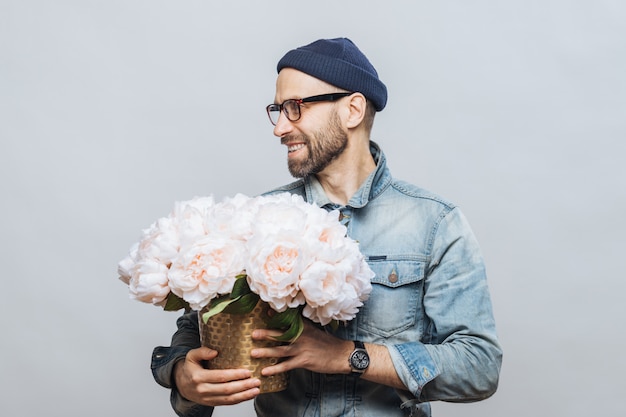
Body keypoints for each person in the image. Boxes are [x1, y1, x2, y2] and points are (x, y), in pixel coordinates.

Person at [151, 37, 502, 417]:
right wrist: (183, 376)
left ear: (352, 110)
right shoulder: (255, 216)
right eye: (277, 109)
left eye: (295, 108)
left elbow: (479, 367)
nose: (279, 128)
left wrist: (347, 356)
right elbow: (197, 324)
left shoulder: (434, 223)